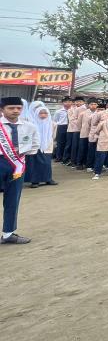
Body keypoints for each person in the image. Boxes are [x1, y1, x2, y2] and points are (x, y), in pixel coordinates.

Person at [1, 97, 40, 244]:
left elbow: (35, 144)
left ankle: (8, 233)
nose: (15, 111)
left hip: (18, 164)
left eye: (18, 108)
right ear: (2, 110)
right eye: (11, 108)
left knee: (13, 199)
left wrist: (22, 154)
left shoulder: (30, 126)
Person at [25, 104, 57, 188]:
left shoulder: (52, 124)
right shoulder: (32, 124)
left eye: (45, 113)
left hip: (47, 146)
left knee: (46, 163)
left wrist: (48, 143)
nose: (43, 115)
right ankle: (35, 181)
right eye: (41, 113)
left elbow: (53, 135)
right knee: (35, 164)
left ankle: (48, 179)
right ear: (36, 114)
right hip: (35, 147)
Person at [53, 96, 71, 162]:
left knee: (68, 143)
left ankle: (65, 158)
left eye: (69, 102)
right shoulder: (59, 111)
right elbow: (55, 120)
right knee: (60, 143)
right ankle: (58, 157)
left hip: (70, 127)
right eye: (66, 102)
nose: (68, 103)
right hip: (61, 127)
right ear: (63, 103)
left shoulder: (73, 111)